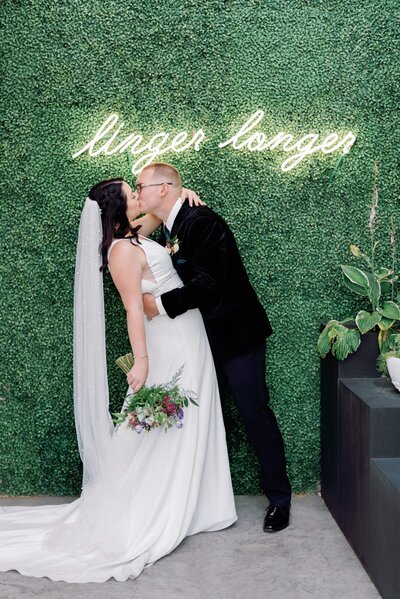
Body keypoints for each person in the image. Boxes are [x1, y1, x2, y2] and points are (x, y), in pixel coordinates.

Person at [0, 181, 237, 583]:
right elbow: (133, 311)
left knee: (186, 420)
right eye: (131, 193)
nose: (137, 196)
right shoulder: (123, 252)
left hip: (186, 334)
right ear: (116, 207)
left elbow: (153, 218)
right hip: (169, 343)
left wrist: (182, 196)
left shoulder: (132, 236)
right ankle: (146, 508)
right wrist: (142, 361)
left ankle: (199, 504)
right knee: (158, 423)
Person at [139, 162, 292, 532]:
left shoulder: (202, 222)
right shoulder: (176, 221)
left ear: (164, 188)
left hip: (235, 336)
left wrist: (158, 306)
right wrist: (176, 203)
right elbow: (123, 234)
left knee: (253, 412)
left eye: (140, 185)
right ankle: (193, 499)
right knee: (198, 417)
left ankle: (280, 500)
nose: (137, 192)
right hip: (197, 341)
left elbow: (209, 284)